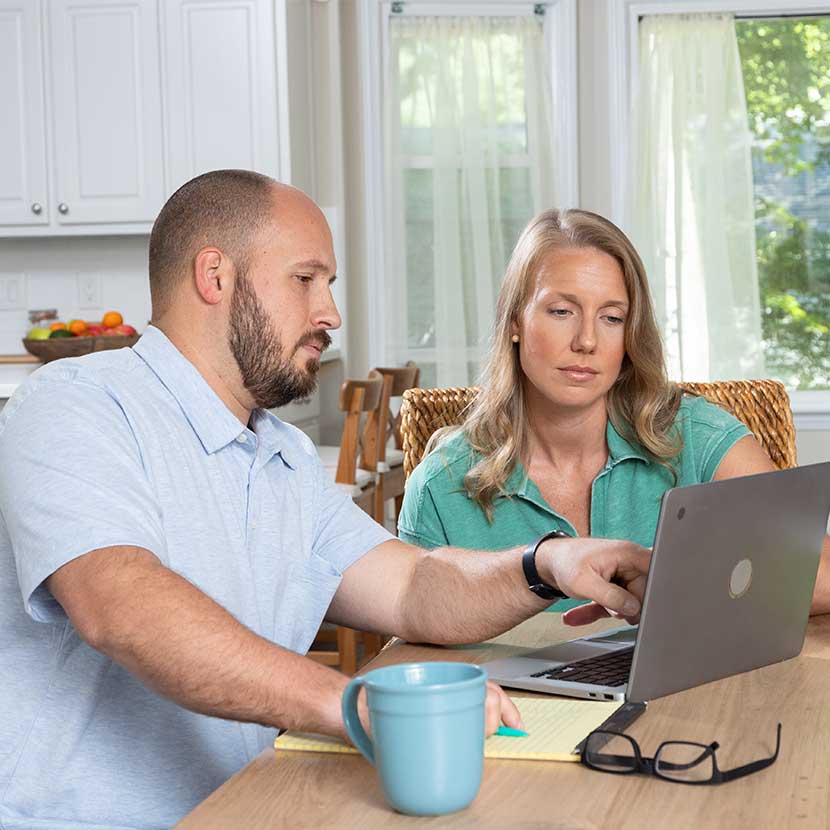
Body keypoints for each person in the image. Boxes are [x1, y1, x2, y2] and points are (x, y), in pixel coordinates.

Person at [0, 173, 651, 830]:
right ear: (215, 277)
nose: (330, 313)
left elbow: (414, 587)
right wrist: (355, 705)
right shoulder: (75, 405)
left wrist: (548, 563)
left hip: (248, 805)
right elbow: (122, 607)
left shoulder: (279, 455)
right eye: (306, 279)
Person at [398, 207, 830, 624]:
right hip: (509, 700)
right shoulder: (440, 487)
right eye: (561, 311)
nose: (586, 340)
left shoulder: (699, 437)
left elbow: (823, 577)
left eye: (611, 317)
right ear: (515, 321)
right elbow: (414, 637)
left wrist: (661, 592)